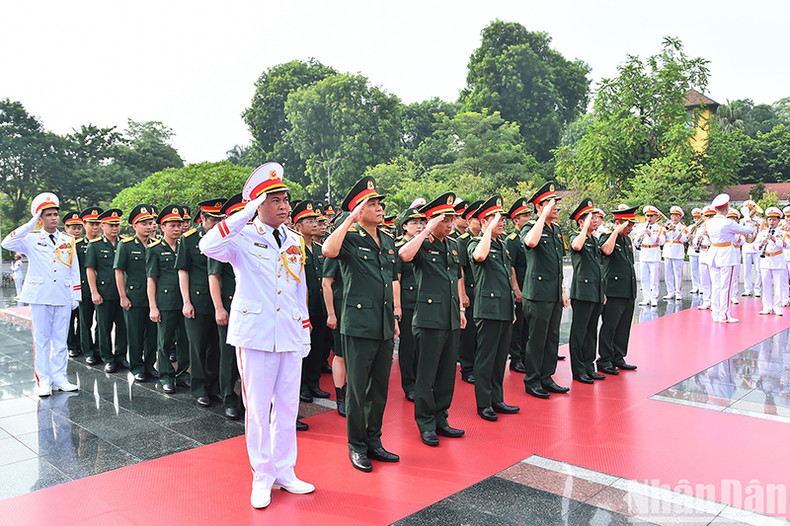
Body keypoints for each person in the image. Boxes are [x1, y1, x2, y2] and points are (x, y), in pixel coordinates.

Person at [199, 162, 314, 509]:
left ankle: (284, 471)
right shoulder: (242, 238)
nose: (284, 205)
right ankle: (261, 475)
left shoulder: (294, 239)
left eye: (285, 199)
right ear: (258, 204)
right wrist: (246, 210)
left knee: (287, 406)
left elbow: (299, 287)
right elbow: (207, 245)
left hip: (290, 332)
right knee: (258, 408)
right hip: (256, 334)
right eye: (274, 199)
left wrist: (305, 329)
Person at [322, 176, 400, 473]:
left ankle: (374, 440)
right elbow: (328, 251)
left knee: (379, 387)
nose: (380, 208)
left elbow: (389, 281)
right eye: (373, 204)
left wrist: (393, 317)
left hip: (382, 323)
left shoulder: (388, 240)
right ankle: (356, 445)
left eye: (380, 203)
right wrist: (348, 220)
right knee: (357, 389)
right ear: (358, 210)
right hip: (357, 324)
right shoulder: (350, 238)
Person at [398, 192, 465, 445]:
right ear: (432, 220)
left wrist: (460, 311)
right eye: (445, 220)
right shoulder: (422, 243)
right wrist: (426, 230)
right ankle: (425, 423)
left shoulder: (453, 245)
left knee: (446, 373)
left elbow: (454, 280)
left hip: (449, 317)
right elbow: (404, 255)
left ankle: (441, 418)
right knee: (426, 375)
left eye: (451, 220)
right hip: (428, 318)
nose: (449, 225)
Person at [2, 193, 81, 396]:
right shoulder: (30, 238)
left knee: (60, 339)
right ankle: (43, 380)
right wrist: (30, 224)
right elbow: (6, 243)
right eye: (48, 215)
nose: (54, 218)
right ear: (40, 218)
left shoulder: (68, 240)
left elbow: (74, 268)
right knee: (42, 340)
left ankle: (59, 377)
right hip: (40, 295)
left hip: (62, 294)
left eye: (55, 214)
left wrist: (76, 295)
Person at [467, 196, 520, 419]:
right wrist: (487, 229)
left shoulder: (503, 245)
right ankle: (483, 403)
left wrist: (512, 309)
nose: (502, 223)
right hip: (488, 309)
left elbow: (507, 277)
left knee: (500, 359)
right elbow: (480, 255)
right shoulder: (475, 242)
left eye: (502, 220)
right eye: (496, 219)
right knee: (486, 358)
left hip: (504, 309)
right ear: (484, 221)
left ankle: (497, 399)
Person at [521, 182, 569, 399]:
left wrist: (562, 289)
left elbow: (558, 263)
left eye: (556, 206)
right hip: (538, 293)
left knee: (552, 337)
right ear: (539, 207)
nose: (556, 209)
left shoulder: (556, 230)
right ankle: (532, 380)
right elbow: (531, 242)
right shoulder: (530, 226)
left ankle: (547, 376)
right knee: (537, 338)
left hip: (553, 292)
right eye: (551, 205)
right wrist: (542, 217)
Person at [176, 199, 224, 407]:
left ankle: (214, 386)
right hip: (198, 299)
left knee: (216, 346)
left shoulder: (224, 237)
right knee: (198, 346)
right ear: (202, 218)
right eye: (212, 219)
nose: (216, 223)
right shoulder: (189, 239)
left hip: (220, 300)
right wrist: (186, 301)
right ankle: (200, 388)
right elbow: (183, 270)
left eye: (220, 219)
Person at [207, 194, 245, 420]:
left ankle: (248, 401)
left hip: (254, 309)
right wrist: (219, 308)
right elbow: (214, 276)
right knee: (228, 355)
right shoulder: (223, 240)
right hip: (230, 305)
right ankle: (228, 398)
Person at [147, 205, 189, 394]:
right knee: (164, 341)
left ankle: (183, 374)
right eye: (172, 225)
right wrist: (153, 306)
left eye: (179, 225)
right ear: (162, 227)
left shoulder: (184, 245)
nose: (176, 229)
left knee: (184, 339)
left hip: (185, 301)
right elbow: (151, 279)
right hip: (165, 302)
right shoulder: (154, 249)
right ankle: (166, 375)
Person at [291, 200, 330, 403]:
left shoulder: (318, 248)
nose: (315, 224)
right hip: (302, 307)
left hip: (320, 305)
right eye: (309, 221)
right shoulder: (293, 248)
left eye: (315, 220)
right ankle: (302, 386)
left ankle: (314, 383)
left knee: (318, 346)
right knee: (302, 349)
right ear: (298, 226)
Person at [597, 206, 639, 375]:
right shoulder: (607, 237)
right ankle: (605, 359)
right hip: (613, 290)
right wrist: (616, 231)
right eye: (628, 225)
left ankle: (618, 356)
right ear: (618, 223)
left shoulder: (627, 240)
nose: (631, 229)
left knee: (624, 326)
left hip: (627, 290)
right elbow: (606, 250)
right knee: (610, 326)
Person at [568, 198, 606, 384]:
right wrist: (584, 228)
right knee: (580, 332)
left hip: (596, 292)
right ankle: (578, 370)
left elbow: (598, 266)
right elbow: (576, 246)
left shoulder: (594, 239)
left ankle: (589, 366)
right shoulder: (577, 236)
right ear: (581, 222)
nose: (596, 221)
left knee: (592, 331)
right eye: (591, 218)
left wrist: (602, 291)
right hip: (582, 292)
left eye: (596, 218)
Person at [85, 208, 128, 373]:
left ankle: (121, 356)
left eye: (117, 225)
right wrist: (94, 291)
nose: (115, 228)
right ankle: (107, 358)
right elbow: (90, 269)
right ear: (103, 226)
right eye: (111, 225)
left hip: (123, 292)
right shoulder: (95, 245)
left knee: (123, 326)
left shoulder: (124, 242)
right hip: (105, 291)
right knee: (104, 327)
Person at [393, 207, 426, 402]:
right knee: (408, 346)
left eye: (422, 222)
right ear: (405, 226)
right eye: (414, 223)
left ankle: (421, 381)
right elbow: (396, 279)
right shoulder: (400, 247)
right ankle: (409, 384)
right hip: (407, 302)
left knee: (423, 346)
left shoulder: (425, 244)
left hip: (425, 301)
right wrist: (397, 307)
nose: (419, 226)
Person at [706, 194, 754, 323]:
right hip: (725, 255)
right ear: (726, 208)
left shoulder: (709, 222)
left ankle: (716, 314)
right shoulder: (728, 223)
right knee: (725, 287)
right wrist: (747, 216)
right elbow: (749, 229)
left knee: (716, 286)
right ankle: (724, 315)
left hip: (713, 254)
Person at [323, 211, 350, 417]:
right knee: (340, 353)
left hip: (356, 308)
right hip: (340, 307)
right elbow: (327, 283)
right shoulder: (336, 249)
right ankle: (341, 395)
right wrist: (331, 313)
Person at [455, 200, 482, 384]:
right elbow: (461, 270)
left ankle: (478, 365)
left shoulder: (485, 240)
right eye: (478, 220)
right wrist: (462, 294)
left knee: (481, 333)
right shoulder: (462, 241)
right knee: (469, 333)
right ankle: (467, 368)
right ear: (470, 220)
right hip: (470, 291)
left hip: (483, 291)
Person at [505, 197, 531, 374]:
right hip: (520, 286)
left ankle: (525, 355)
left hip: (532, 287)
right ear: (516, 220)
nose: (529, 218)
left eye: (530, 214)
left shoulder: (530, 236)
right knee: (518, 325)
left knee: (528, 325)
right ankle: (516, 358)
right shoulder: (512, 240)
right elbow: (511, 265)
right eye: (525, 216)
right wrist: (516, 289)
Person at [75, 207, 103, 365]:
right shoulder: (77, 245)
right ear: (84, 224)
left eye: (98, 224)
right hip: (84, 288)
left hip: (103, 288)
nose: (95, 227)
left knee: (102, 322)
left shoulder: (102, 244)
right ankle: (88, 351)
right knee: (85, 321)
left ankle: (100, 349)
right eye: (91, 223)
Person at [755, 207, 786, 316]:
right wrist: (761, 244)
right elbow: (754, 245)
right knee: (766, 285)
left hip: (778, 260)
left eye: (774, 220)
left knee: (778, 285)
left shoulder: (783, 233)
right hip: (766, 261)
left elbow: (786, 245)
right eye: (770, 219)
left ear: (778, 221)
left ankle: (777, 307)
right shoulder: (763, 232)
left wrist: (775, 240)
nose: (771, 222)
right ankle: (767, 307)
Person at [62, 211, 84, 357]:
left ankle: (81, 343)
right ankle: (71, 345)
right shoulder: (62, 245)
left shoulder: (84, 245)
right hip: (67, 287)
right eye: (73, 228)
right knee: (69, 319)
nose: (77, 231)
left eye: (79, 228)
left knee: (82, 319)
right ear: (66, 228)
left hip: (82, 287)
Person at [633, 206, 665, 307]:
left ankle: (654, 298)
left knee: (654, 278)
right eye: (647, 216)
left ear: (656, 216)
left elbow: (661, 241)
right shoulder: (641, 227)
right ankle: (646, 298)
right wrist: (638, 239)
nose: (649, 218)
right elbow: (636, 242)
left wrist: (650, 234)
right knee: (644, 278)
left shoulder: (660, 228)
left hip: (654, 253)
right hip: (644, 252)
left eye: (651, 216)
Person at [662, 206, 687, 301]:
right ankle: (670, 292)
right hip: (668, 251)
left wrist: (674, 230)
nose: (674, 218)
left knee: (678, 274)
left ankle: (678, 292)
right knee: (668, 273)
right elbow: (662, 239)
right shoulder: (666, 226)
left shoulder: (683, 228)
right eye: (673, 215)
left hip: (678, 253)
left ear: (680, 217)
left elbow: (684, 239)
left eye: (676, 216)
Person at [740, 200, 764, 297]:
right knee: (747, 269)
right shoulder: (742, 221)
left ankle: (757, 289)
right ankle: (748, 289)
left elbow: (762, 233)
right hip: (746, 246)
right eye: (747, 209)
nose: (749, 210)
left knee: (759, 269)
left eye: (750, 208)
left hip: (757, 247)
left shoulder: (760, 220)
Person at [687, 208, 703, 294]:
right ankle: (695, 286)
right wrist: (689, 236)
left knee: (701, 270)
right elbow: (686, 239)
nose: (696, 219)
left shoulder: (704, 227)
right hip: (692, 250)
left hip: (701, 251)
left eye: (698, 217)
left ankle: (701, 286)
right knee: (693, 270)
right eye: (695, 217)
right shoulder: (691, 227)